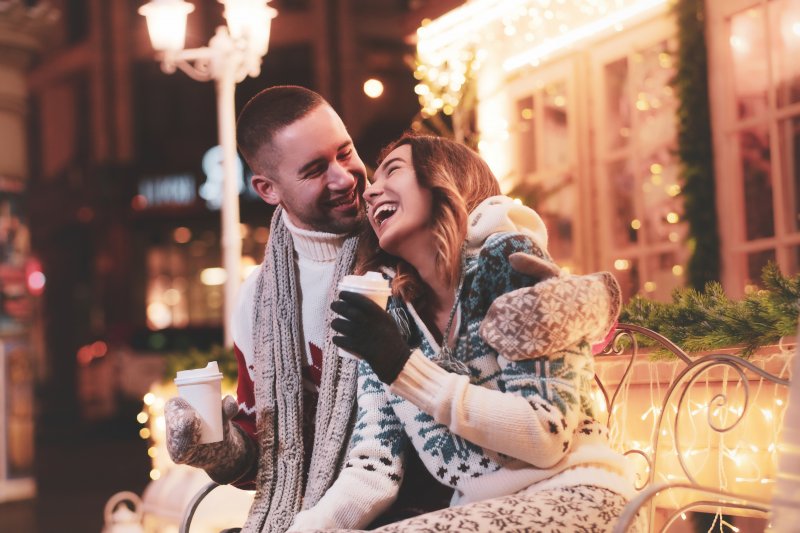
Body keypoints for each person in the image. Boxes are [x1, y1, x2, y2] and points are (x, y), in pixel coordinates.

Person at [287, 134, 636, 532]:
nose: (370, 191)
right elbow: (372, 470)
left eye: (394, 170)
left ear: (445, 179)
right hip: (478, 513)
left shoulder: (510, 262)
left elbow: (545, 435)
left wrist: (402, 366)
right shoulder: (392, 315)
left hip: (577, 495)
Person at [163, 87, 450, 533]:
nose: (344, 178)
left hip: (424, 506)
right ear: (267, 189)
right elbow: (272, 462)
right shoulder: (256, 299)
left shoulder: (409, 248)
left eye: (345, 152)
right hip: (312, 517)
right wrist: (216, 451)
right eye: (315, 170)